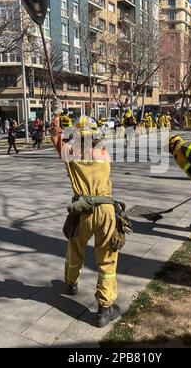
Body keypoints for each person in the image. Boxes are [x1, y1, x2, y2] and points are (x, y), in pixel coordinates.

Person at [51, 115, 126, 328]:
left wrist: (56, 126)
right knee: (108, 259)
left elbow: (56, 140)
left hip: (81, 211)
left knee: (75, 248)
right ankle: (104, 309)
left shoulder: (71, 154)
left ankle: (71, 283)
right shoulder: (104, 153)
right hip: (106, 210)